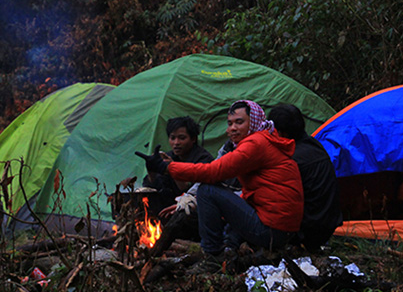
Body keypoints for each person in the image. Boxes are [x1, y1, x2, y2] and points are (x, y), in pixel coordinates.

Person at [137, 100, 303, 273]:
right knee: (221, 196)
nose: (231, 128)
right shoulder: (261, 140)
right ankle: (230, 251)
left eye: (239, 122)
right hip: (281, 229)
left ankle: (212, 257)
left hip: (272, 231)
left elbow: (212, 172)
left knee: (208, 191)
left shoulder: (256, 144)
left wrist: (167, 167)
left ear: (254, 121)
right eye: (230, 123)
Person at [268, 104, 343, 252]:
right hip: (326, 228)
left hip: (306, 231)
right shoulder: (314, 145)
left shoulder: (290, 158)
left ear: (281, 132)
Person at [140, 116, 214, 215]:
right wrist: (151, 172)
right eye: (172, 138)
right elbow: (153, 188)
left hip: (192, 211)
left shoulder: (203, 160)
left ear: (193, 139)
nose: (176, 143)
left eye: (182, 138)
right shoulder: (169, 156)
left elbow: (189, 192)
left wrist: (173, 167)